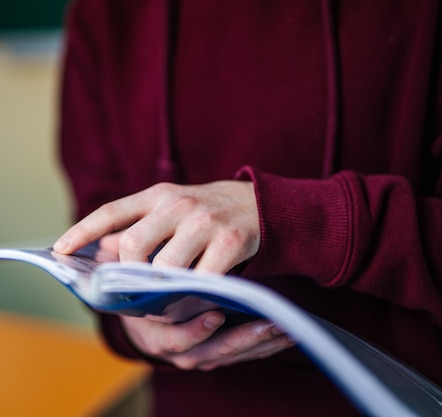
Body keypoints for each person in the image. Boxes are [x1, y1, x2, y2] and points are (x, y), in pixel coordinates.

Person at [53, 1, 442, 416]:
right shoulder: (103, 13)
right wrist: (131, 319)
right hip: (188, 401)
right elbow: (100, 228)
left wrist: (291, 219)